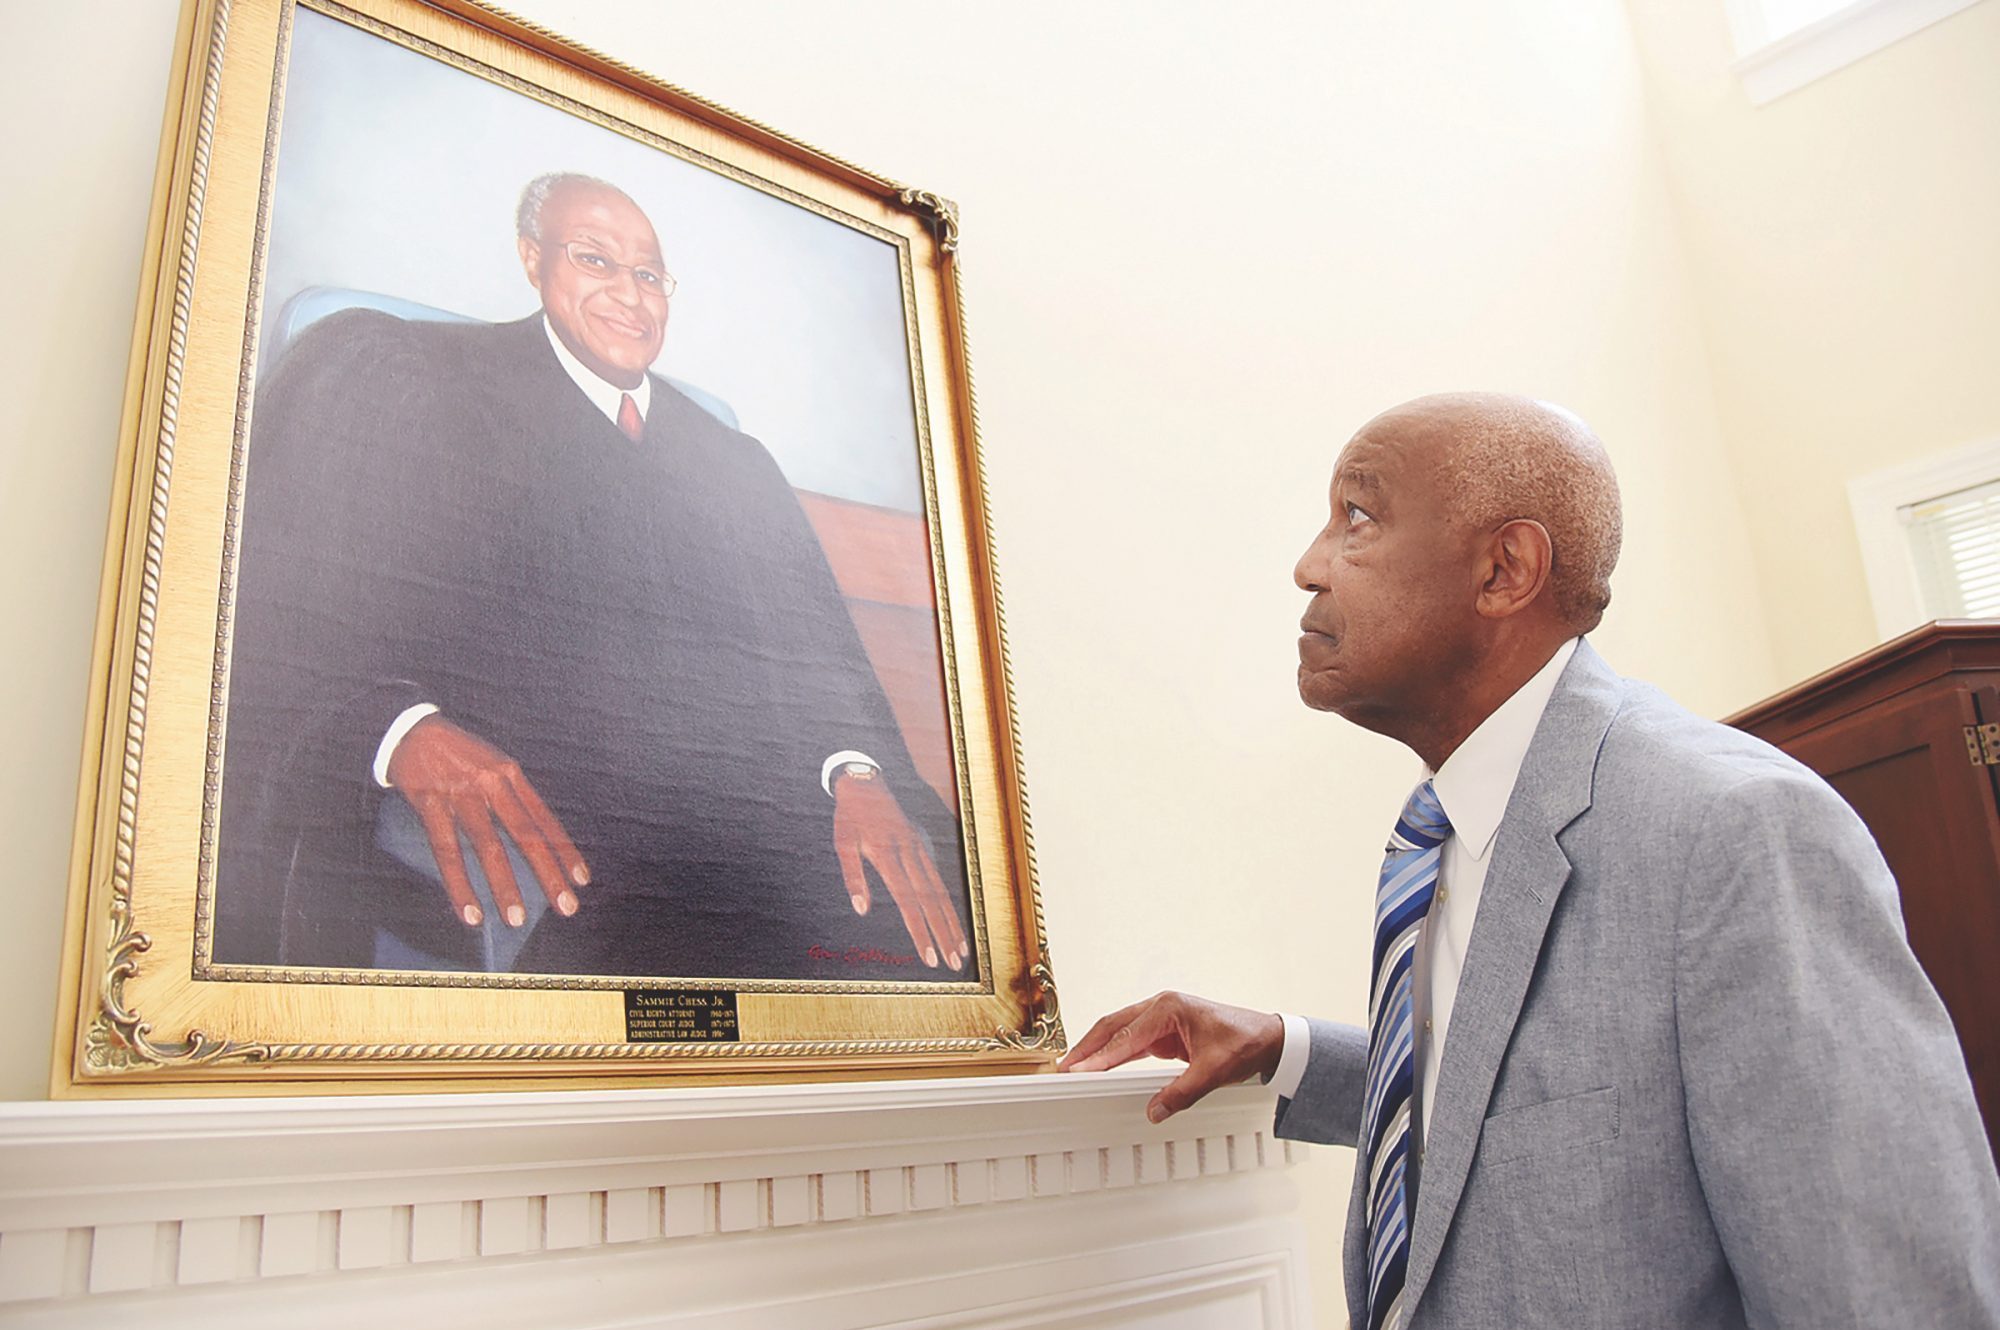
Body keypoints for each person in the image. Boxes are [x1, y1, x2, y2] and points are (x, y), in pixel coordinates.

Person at [1060, 393, 1999, 1328]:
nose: (1309, 566)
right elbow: (1536, 1106)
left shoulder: (1737, 829)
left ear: (1505, 570)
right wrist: (1288, 1050)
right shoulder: (1442, 828)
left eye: (1358, 517)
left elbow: (1894, 1297)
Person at [212, 172, 972, 982]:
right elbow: (293, 602)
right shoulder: (416, 380)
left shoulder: (736, 466)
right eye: (595, 260)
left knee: (932, 911)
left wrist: (853, 770)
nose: (629, 294)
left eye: (648, 274)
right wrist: (400, 727)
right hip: (576, 825)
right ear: (532, 258)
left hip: (755, 816)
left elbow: (816, 651)